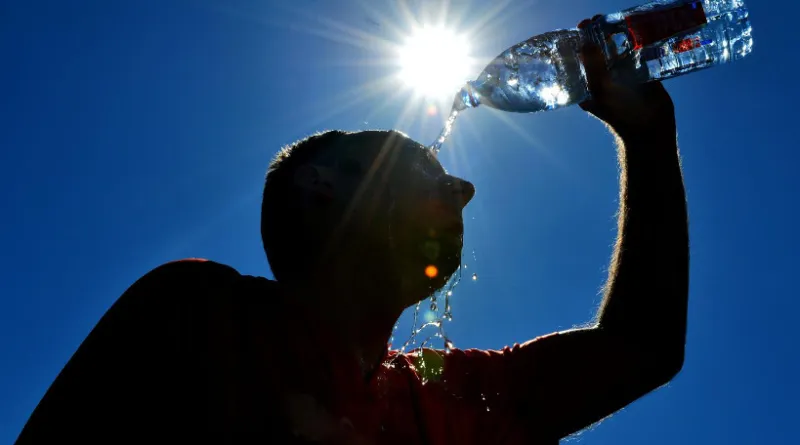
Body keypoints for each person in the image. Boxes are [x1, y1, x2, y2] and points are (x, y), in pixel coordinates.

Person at [16, 32, 689, 444]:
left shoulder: (449, 393)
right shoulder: (198, 316)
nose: (464, 190)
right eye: (425, 166)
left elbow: (640, 350)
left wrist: (650, 138)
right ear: (321, 189)